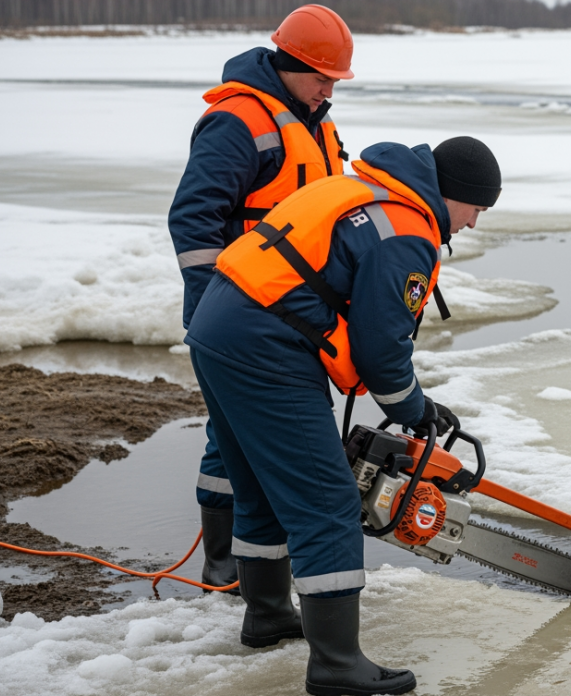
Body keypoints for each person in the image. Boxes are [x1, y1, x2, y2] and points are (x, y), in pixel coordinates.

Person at [185, 137, 501, 696]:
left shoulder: (366, 188)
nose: (473, 224)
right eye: (477, 209)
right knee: (326, 500)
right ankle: (335, 665)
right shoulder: (406, 230)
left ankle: (267, 616)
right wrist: (412, 410)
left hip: (219, 328)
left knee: (258, 486)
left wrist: (410, 404)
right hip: (265, 347)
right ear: (456, 196)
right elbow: (381, 349)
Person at [167, 4, 354, 596]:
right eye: (321, 77)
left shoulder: (317, 122)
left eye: (335, 81)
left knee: (236, 442)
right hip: (241, 313)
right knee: (229, 443)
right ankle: (224, 566)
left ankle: (250, 572)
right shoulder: (240, 122)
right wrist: (208, 303)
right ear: (287, 63)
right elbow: (194, 219)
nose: (328, 91)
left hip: (292, 315)